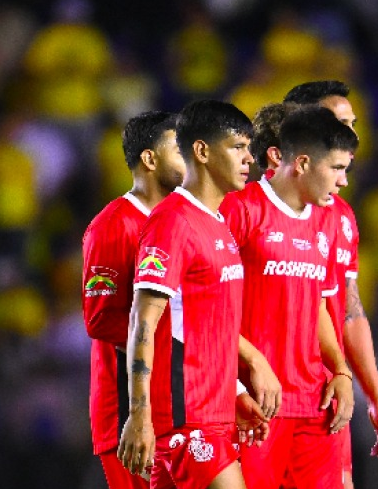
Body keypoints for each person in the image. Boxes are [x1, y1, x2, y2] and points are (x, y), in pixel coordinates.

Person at [117, 100, 268, 489]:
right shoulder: (172, 222)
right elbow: (143, 320)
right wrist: (140, 415)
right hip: (186, 419)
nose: (249, 158)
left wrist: (233, 392)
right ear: (201, 151)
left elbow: (203, 326)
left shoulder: (217, 223)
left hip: (213, 414)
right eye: (237, 147)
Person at [225, 105, 357, 489]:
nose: (344, 181)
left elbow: (317, 305)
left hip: (314, 407)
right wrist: (253, 362)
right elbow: (205, 308)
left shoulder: (330, 220)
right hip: (256, 405)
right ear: (301, 163)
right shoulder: (241, 209)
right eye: (336, 168)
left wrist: (341, 370)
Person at [283, 81, 378, 487]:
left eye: (354, 124)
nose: (353, 135)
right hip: (266, 398)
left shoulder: (343, 216)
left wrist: (376, 399)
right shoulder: (249, 206)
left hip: (326, 393)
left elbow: (351, 313)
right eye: (340, 123)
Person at [82, 111, 186, 489]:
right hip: (127, 412)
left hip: (178, 402)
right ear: (150, 159)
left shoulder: (181, 220)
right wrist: (179, 339)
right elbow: (100, 319)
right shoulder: (114, 224)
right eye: (179, 149)